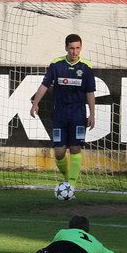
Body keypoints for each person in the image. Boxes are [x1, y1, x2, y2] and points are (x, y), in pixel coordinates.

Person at [30, 34, 95, 189]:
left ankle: (70, 185)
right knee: (59, 152)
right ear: (66, 48)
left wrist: (92, 113)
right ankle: (68, 181)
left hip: (78, 115)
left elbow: (90, 92)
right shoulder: (56, 64)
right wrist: (35, 104)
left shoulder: (86, 67)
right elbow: (44, 85)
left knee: (75, 148)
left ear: (81, 48)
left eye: (77, 48)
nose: (75, 51)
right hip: (59, 115)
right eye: (71, 48)